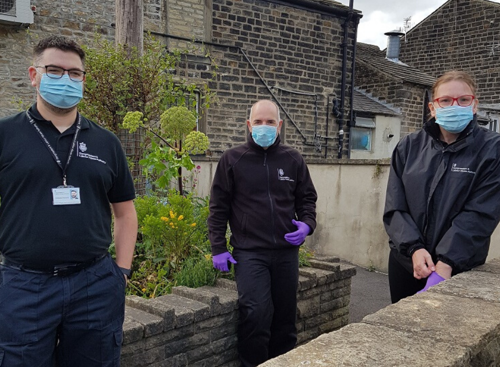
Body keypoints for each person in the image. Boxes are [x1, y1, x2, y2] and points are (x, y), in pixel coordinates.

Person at [0, 35, 138, 366]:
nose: (66, 79)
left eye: (74, 73)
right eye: (54, 70)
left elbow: (125, 212)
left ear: (83, 80)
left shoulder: (107, 143)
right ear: (34, 75)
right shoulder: (6, 135)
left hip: (94, 284)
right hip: (24, 285)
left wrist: (121, 272)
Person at [208, 99, 317, 367]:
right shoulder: (232, 160)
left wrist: (307, 224)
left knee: (285, 319)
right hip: (249, 253)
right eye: (258, 122)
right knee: (255, 315)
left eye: (270, 122)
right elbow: (218, 207)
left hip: (286, 253)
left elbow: (307, 200)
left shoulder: (293, 160)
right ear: (249, 125)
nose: (264, 127)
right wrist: (218, 247)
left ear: (279, 126)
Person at [383, 70, 500, 303]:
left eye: (463, 100)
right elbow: (395, 206)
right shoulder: (409, 146)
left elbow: (480, 214)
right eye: (445, 100)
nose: (454, 105)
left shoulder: (492, 150)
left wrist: (446, 263)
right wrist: (414, 249)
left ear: (474, 105)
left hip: (458, 267)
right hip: (407, 262)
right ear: (433, 108)